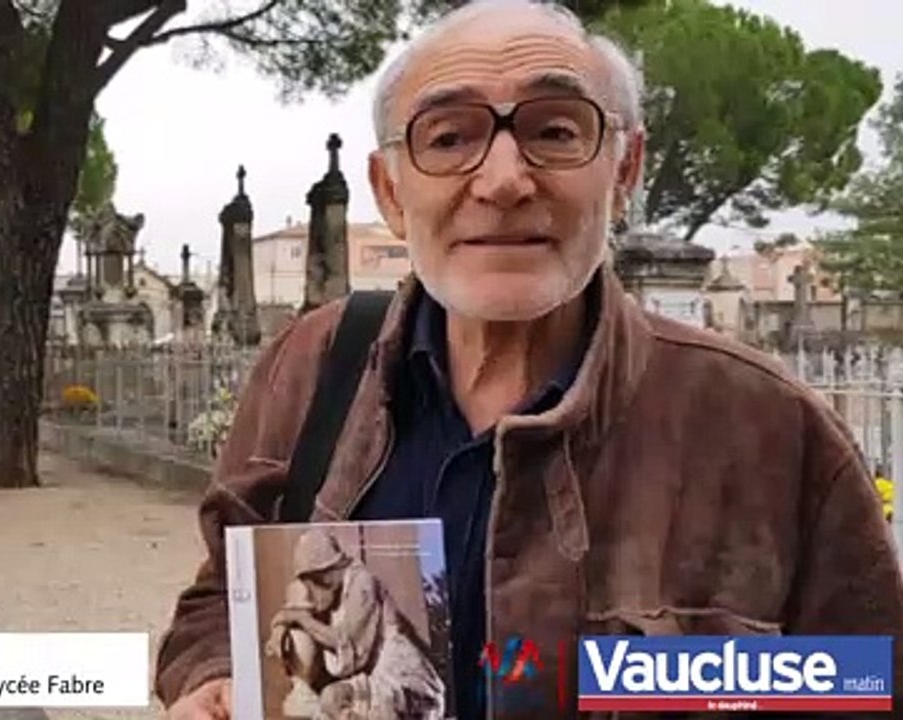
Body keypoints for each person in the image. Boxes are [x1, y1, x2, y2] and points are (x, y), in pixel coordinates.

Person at [154, 1, 903, 717]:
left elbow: (864, 683)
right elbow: (223, 594)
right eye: (447, 138)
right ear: (389, 191)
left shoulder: (768, 430)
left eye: (555, 131)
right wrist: (214, 677)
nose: (505, 180)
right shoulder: (310, 366)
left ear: (624, 170)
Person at [264, 529, 446, 720]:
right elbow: (292, 611)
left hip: (403, 679)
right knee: (328, 704)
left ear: (324, 577)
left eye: (311, 585)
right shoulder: (336, 595)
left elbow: (348, 644)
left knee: (331, 699)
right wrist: (281, 627)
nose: (311, 595)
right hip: (376, 679)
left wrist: (301, 619)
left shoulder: (363, 583)